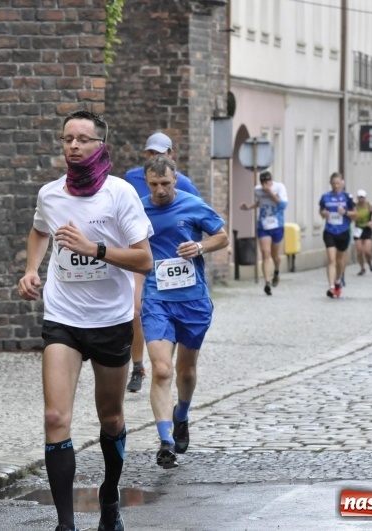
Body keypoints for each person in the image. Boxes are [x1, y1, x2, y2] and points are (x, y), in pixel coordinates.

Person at [18, 110, 154, 531]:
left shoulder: (120, 195)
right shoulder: (50, 194)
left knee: (110, 417)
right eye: (67, 139)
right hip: (63, 317)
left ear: (100, 146)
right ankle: (65, 523)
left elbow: (144, 259)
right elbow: (41, 229)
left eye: (82, 139)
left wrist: (94, 249)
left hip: (111, 320)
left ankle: (109, 495)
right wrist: (31, 269)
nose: (73, 146)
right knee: (56, 418)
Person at [139, 155, 228, 469]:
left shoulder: (192, 205)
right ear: (147, 182)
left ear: (175, 180)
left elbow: (222, 235)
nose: (160, 190)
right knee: (162, 370)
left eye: (165, 183)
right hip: (156, 300)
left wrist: (200, 247)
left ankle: (182, 415)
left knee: (185, 371)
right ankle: (165, 441)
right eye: (154, 184)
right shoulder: (139, 208)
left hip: (193, 302)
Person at [122, 132, 200, 393]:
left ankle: (168, 361)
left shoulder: (185, 184)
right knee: (135, 310)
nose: (156, 157)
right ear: (145, 156)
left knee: (165, 313)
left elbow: (198, 217)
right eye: (151, 153)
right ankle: (137, 365)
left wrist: (197, 246)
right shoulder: (131, 179)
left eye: (162, 153)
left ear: (171, 155)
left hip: (172, 261)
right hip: (141, 253)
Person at [240, 170, 288, 295]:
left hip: (277, 224)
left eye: (268, 182)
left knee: (275, 255)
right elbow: (260, 202)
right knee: (265, 254)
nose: (265, 185)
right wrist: (249, 207)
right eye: (263, 183)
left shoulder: (279, 187)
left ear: (271, 181)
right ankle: (267, 283)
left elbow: (283, 205)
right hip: (263, 224)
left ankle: (276, 270)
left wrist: (270, 192)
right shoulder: (258, 189)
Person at [318, 172, 356, 298]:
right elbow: (321, 210)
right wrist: (323, 213)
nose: (335, 186)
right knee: (331, 259)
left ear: (342, 183)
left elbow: (355, 215)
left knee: (340, 260)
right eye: (333, 183)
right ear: (330, 183)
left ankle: (338, 280)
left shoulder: (347, 197)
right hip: (329, 231)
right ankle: (331, 286)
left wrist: (345, 212)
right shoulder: (325, 197)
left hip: (343, 231)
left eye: (338, 183)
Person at [353, 189, 372, 275]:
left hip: (367, 229)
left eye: (362, 197)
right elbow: (352, 216)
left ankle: (370, 263)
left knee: (367, 251)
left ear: (365, 198)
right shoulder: (355, 206)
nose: (361, 199)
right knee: (359, 251)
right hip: (358, 229)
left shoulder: (369, 205)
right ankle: (362, 268)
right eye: (359, 198)